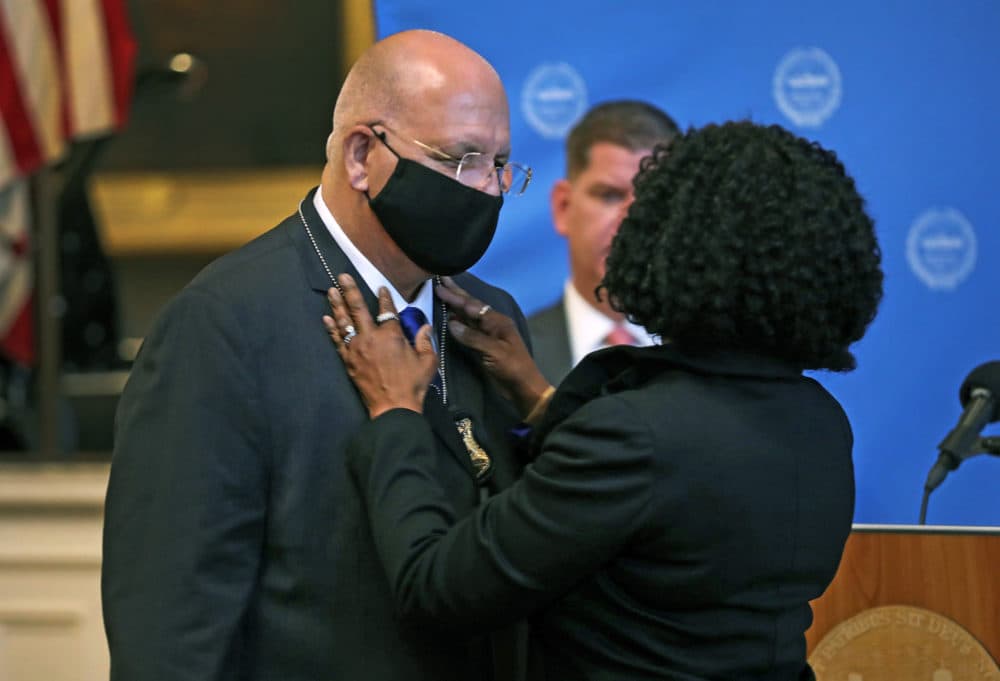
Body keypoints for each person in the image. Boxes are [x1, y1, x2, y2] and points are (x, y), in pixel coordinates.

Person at [325, 120, 884, 680]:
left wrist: (395, 410)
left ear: (673, 245)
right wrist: (539, 398)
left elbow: (435, 590)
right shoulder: (821, 421)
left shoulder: (639, 435)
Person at [102, 29, 535, 681]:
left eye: (501, 165)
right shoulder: (225, 324)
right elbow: (171, 625)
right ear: (363, 154)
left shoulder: (489, 313)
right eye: (461, 159)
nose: (489, 190)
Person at [529, 100, 679, 385]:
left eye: (652, 199)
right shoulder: (512, 358)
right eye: (610, 196)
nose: (630, 221)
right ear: (563, 207)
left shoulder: (715, 361)